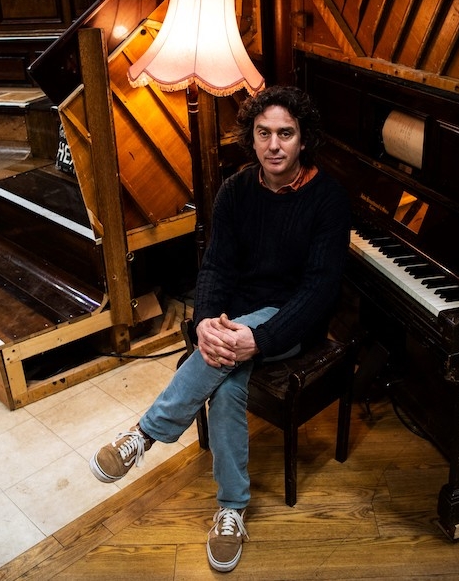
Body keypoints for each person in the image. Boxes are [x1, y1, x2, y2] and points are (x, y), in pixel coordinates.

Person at [89, 85, 350, 572]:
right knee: (227, 385)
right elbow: (215, 268)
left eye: (286, 135)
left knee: (226, 353)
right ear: (251, 138)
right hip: (237, 321)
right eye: (263, 133)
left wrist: (261, 336)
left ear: (303, 140)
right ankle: (232, 509)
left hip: (293, 321)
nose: (274, 145)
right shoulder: (235, 190)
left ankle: (145, 435)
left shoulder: (328, 200)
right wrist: (206, 320)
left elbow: (319, 292)